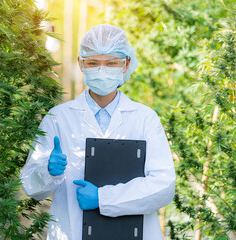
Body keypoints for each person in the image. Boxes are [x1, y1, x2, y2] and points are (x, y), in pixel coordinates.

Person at [19, 24, 175, 240]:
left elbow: (164, 186)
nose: (102, 70)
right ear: (81, 63)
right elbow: (30, 185)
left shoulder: (144, 118)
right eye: (93, 63)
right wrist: (47, 172)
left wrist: (103, 198)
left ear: (126, 64)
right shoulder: (59, 118)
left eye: (111, 63)